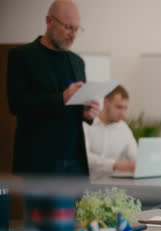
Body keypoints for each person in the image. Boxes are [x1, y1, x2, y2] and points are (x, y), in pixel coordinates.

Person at [6, 0, 99, 176]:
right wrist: (61, 98)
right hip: (39, 161)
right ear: (49, 21)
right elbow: (16, 105)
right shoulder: (22, 56)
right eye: (68, 27)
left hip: (74, 162)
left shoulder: (77, 62)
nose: (73, 35)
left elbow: (72, 110)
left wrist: (86, 114)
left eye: (77, 29)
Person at [84, 85, 138, 176]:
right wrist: (116, 165)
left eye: (125, 108)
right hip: (86, 184)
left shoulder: (124, 129)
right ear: (105, 103)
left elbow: (135, 156)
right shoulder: (87, 125)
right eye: (119, 107)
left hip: (112, 185)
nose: (123, 113)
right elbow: (85, 157)